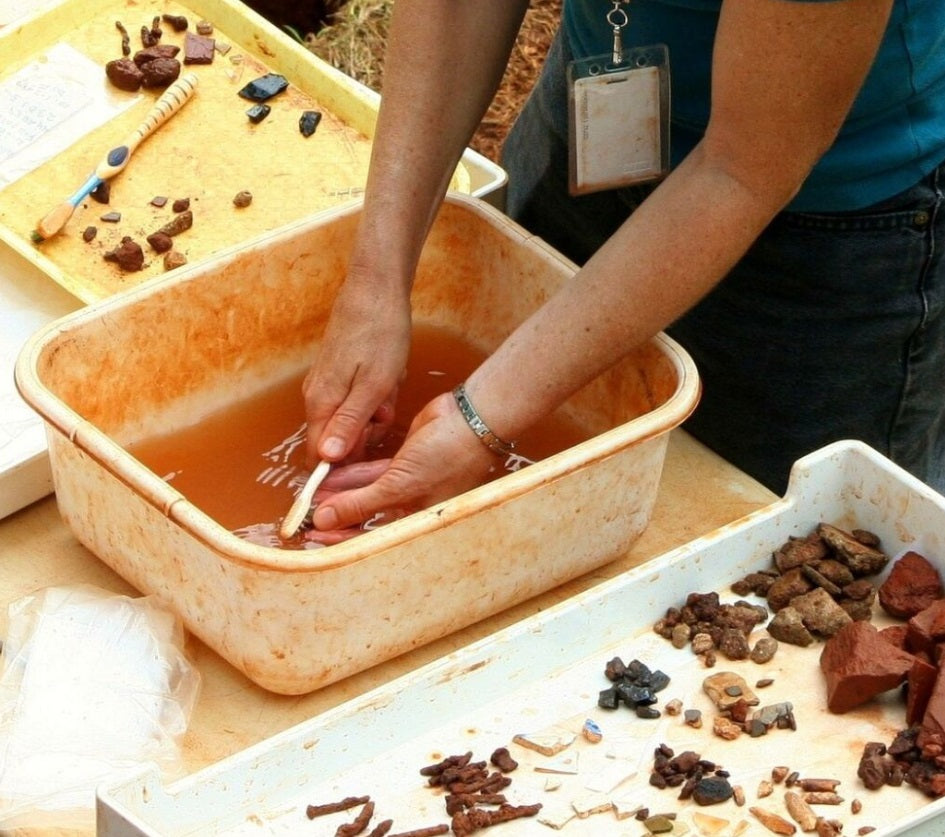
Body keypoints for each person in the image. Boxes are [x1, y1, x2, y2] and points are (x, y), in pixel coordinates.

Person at [301, 0, 945, 541]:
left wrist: (480, 420)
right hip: (601, 106)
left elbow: (746, 167)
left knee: (765, 541)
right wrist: (376, 282)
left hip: (825, 232)